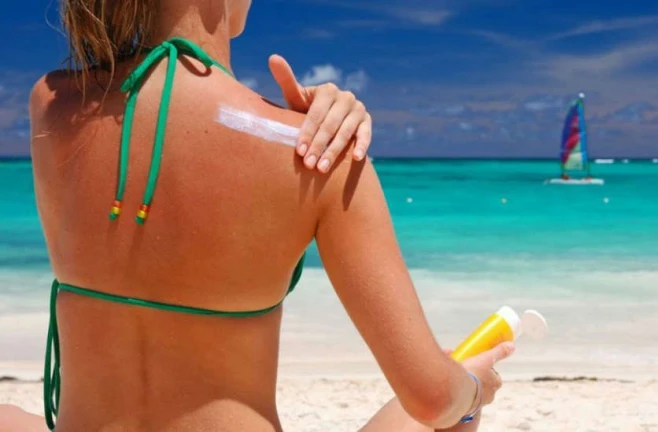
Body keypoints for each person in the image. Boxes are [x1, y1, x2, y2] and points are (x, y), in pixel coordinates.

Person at [0, 1, 515, 431]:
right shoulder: (319, 155)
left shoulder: (54, 105)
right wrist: (473, 390)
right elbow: (430, 399)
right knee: (447, 401)